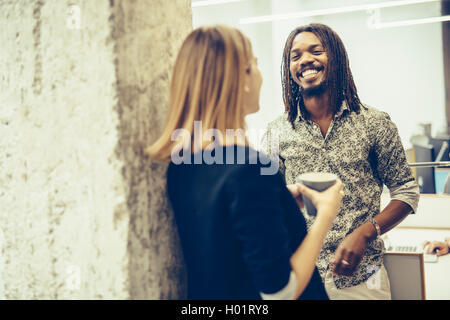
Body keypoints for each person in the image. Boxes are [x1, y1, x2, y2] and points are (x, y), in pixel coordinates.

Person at [146, 25, 344, 300]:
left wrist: (278, 201)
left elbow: (222, 236)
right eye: (255, 64)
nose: (261, 75)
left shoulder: (181, 164)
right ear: (243, 79)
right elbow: (280, 293)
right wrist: (325, 215)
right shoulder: (250, 169)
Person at [262, 23, 420, 300]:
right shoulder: (276, 132)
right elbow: (267, 200)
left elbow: (406, 192)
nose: (305, 60)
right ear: (289, 69)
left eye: (316, 51)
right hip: (303, 278)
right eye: (295, 56)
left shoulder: (374, 123)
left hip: (362, 280)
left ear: (335, 57)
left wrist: (366, 233)